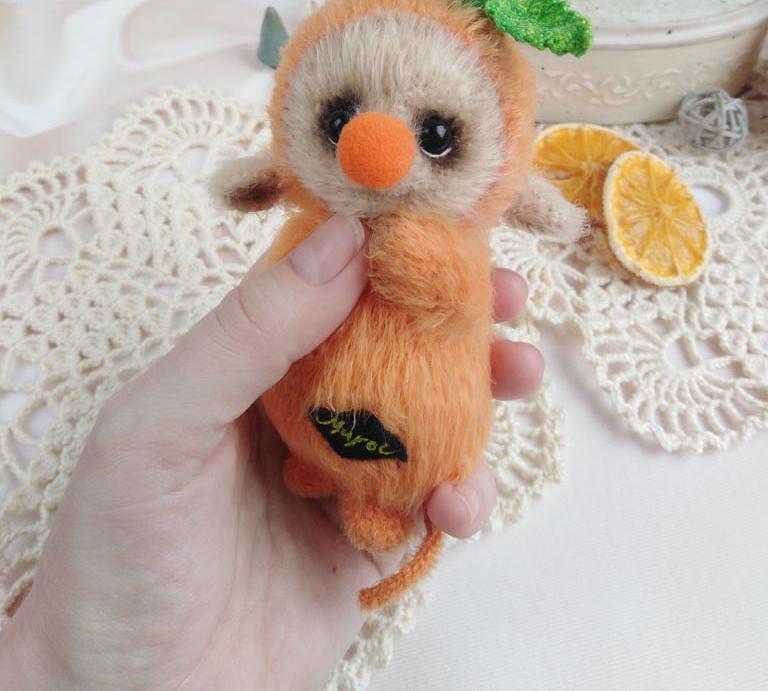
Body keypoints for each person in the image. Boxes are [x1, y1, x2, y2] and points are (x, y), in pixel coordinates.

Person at [0, 214, 543, 691]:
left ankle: (372, 500)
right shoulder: (321, 241)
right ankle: (321, 470)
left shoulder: (452, 246)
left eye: (436, 141)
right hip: (292, 437)